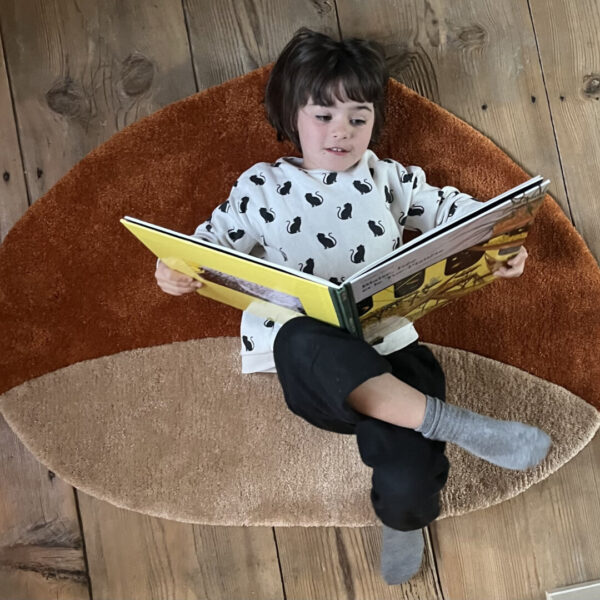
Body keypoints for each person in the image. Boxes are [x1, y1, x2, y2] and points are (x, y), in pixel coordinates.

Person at [155, 28, 551, 585]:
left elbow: (458, 213)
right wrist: (170, 270)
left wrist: (502, 246)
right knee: (298, 335)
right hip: (316, 369)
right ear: (291, 115)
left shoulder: (388, 179)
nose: (340, 132)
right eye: (323, 115)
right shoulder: (261, 187)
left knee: (412, 473)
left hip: (392, 347)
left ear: (373, 123)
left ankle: (405, 517)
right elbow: (203, 248)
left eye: (357, 118)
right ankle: (461, 425)